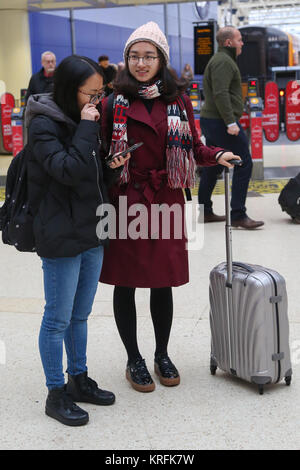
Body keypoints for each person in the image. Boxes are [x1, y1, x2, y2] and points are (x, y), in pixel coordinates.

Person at [99, 21, 240, 393]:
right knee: (125, 282)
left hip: (166, 199)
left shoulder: (177, 100)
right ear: (125, 59)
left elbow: (193, 146)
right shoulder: (112, 103)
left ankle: (162, 353)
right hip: (126, 201)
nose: (141, 63)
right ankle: (134, 358)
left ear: (162, 59)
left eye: (148, 56)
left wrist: (217, 153)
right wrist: (107, 167)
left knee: (163, 282)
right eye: (134, 56)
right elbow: (96, 157)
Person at [25, 55, 127, 426]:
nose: (98, 101)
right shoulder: (42, 125)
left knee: (80, 316)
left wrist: (110, 170)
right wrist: (87, 128)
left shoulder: (86, 118)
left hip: (90, 230)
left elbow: (89, 176)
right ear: (71, 90)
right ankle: (56, 393)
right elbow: (66, 171)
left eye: (101, 93)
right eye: (92, 93)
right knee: (57, 319)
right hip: (59, 233)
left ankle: (78, 378)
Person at [198, 26, 264, 229]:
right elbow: (220, 93)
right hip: (220, 122)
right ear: (228, 43)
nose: (242, 43)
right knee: (244, 163)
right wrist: (230, 122)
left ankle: (205, 212)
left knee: (214, 165)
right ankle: (237, 214)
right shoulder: (223, 62)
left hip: (212, 120)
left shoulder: (222, 60)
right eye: (239, 39)